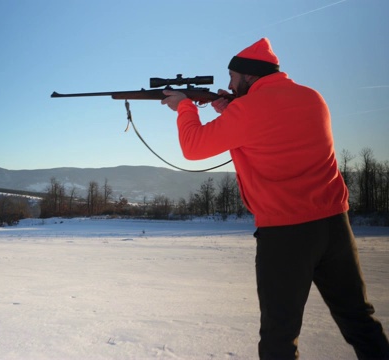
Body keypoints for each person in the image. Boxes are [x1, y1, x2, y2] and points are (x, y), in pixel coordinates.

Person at [161, 38, 389, 359]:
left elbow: (193, 146)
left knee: (279, 335)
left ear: (249, 77)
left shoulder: (248, 109)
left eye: (232, 77)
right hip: (335, 226)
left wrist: (183, 106)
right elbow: (275, 128)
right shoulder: (312, 98)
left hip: (286, 235)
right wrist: (231, 108)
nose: (228, 84)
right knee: (359, 320)